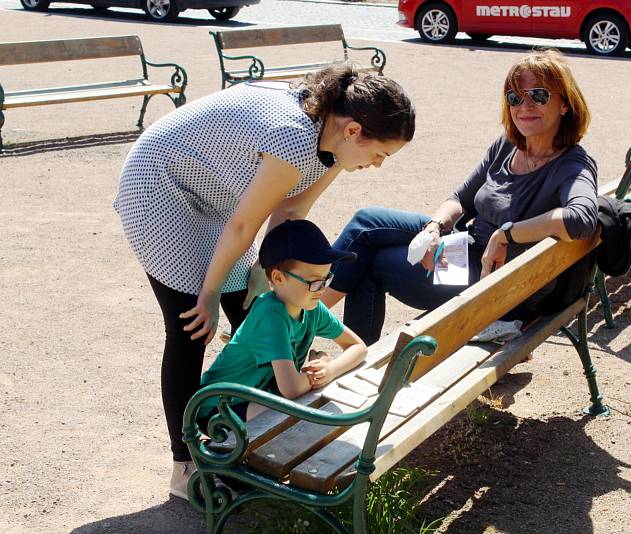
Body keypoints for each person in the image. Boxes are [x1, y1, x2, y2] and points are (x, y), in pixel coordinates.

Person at [112, 64, 414, 499]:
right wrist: (210, 293)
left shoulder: (332, 144)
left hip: (214, 193)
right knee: (191, 326)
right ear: (353, 131)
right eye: (381, 153)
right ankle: (186, 466)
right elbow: (242, 228)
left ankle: (248, 439)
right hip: (159, 186)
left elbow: (291, 213)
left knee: (258, 309)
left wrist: (265, 275)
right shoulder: (295, 135)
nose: (378, 165)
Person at [321, 50, 598, 345]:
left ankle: (302, 322)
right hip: (467, 250)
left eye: (538, 96)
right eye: (515, 97)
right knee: (368, 221)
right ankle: (301, 314)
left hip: (492, 282)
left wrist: (505, 236)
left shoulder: (572, 165)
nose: (524, 106)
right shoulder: (508, 144)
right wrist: (436, 228)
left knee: (371, 262)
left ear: (565, 104)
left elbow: (581, 219)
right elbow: (461, 198)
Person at [195, 219, 367, 449]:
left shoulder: (311, 306)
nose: (322, 289)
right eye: (314, 282)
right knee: (300, 414)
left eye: (326, 279)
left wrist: (329, 368)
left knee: (310, 409)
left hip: (259, 398)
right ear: (278, 278)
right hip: (220, 406)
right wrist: (319, 369)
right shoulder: (271, 314)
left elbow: (358, 347)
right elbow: (292, 388)